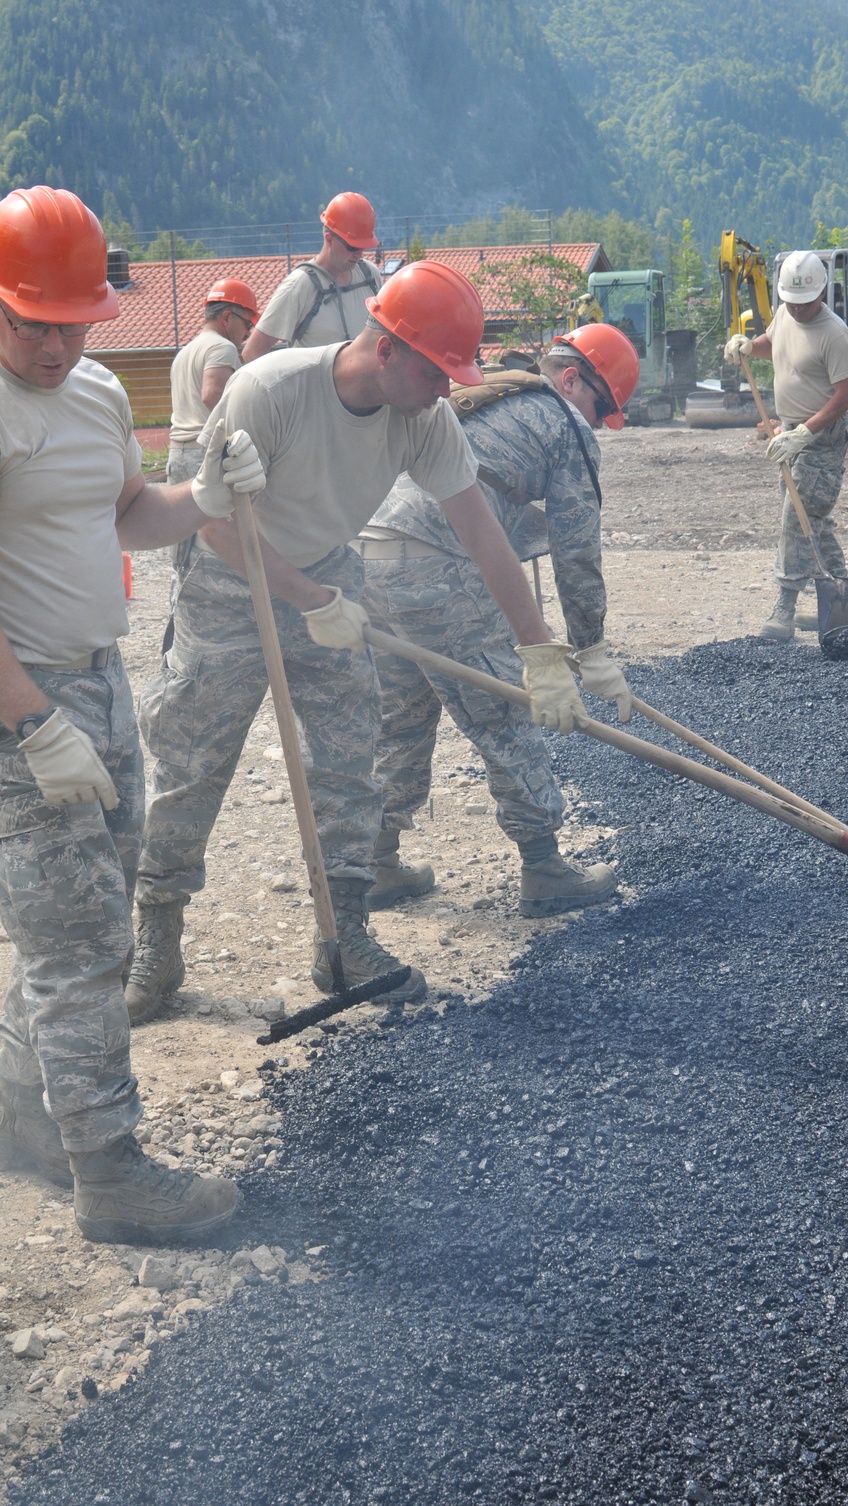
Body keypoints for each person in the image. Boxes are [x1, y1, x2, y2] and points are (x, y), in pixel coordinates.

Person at [125, 260, 586, 1023]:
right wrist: (310, 601)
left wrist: (538, 649)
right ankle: (158, 936)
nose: (450, 390)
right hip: (229, 575)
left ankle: (344, 937)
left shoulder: (425, 418)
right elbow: (209, 518)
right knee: (195, 758)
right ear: (388, 350)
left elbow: (482, 535)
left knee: (347, 757)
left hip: (328, 572)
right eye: (439, 372)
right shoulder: (270, 389)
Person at [0, 186, 264, 1243]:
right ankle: (108, 1173)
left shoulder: (100, 393)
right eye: (35, 325)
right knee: (79, 939)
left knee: (86, 930)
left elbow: (125, 513)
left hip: (99, 681)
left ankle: (25, 1113)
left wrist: (199, 496)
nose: (58, 346)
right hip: (20, 702)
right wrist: (30, 721)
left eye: (76, 325)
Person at [360, 325, 641, 917]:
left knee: (401, 716)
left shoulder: (491, 398)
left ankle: (377, 861)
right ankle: (544, 868)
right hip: (441, 570)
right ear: (571, 379)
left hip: (373, 562)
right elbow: (577, 549)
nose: (594, 423)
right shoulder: (562, 424)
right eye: (598, 406)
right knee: (509, 711)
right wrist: (590, 651)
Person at [725, 249, 848, 642]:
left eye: (805, 303)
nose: (798, 310)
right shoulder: (787, 311)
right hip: (789, 432)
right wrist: (750, 346)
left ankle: (784, 608)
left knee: (794, 516)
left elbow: (846, 395)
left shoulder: (834, 334)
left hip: (822, 437)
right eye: (791, 302)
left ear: (821, 293)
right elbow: (776, 340)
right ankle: (838, 602)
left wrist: (806, 432)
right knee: (811, 516)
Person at [241, 192, 381, 361]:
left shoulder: (370, 275)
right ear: (329, 239)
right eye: (352, 247)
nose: (359, 254)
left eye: (363, 247)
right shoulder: (299, 286)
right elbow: (251, 353)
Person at [166, 276, 259, 483]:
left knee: (183, 516)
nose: (247, 333)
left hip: (178, 453)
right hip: (205, 453)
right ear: (226, 317)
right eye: (247, 323)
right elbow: (212, 396)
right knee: (223, 516)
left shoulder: (185, 352)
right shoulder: (222, 347)